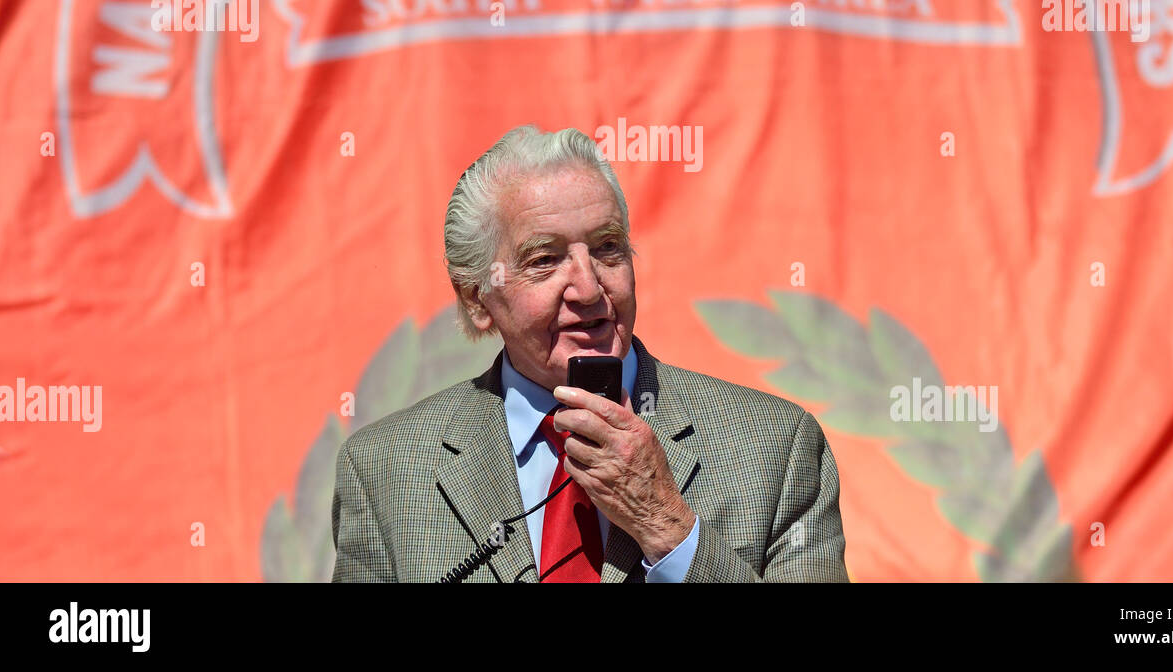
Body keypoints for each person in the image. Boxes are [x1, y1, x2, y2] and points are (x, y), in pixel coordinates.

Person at [330, 124, 849, 582]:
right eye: (545, 258)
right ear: (478, 298)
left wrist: (666, 525)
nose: (588, 288)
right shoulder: (386, 468)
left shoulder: (775, 446)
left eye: (607, 248)